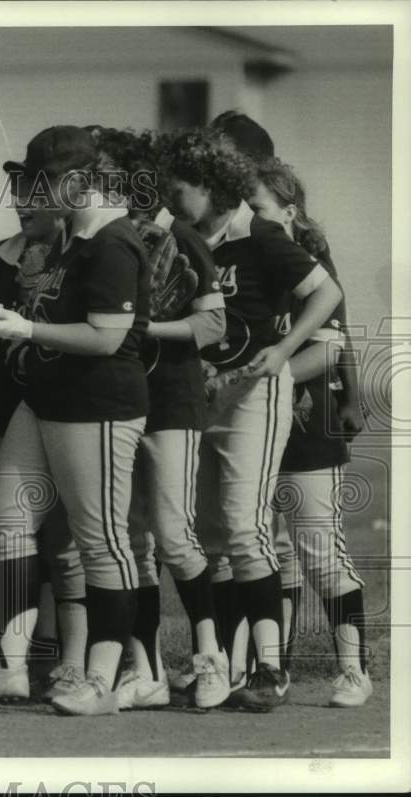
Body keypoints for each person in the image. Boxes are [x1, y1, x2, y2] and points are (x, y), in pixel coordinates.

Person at [0, 126, 151, 716]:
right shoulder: (69, 239)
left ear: (80, 182)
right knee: (5, 520)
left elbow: (108, 337)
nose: (31, 189)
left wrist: (26, 329)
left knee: (100, 541)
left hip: (97, 406)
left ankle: (101, 679)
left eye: (44, 179)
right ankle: (8, 668)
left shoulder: (111, 241)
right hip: (45, 399)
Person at [162, 127, 342, 711]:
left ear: (214, 187)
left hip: (253, 395)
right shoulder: (179, 237)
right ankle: (222, 666)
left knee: (245, 528)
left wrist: (285, 352)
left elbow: (327, 293)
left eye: (181, 187)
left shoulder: (259, 234)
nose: (171, 197)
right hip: (198, 397)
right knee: (209, 537)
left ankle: (270, 669)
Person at [93, 126, 231, 710]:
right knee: (133, 540)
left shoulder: (183, 238)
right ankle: (145, 670)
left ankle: (211, 660)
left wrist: (147, 329)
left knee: (174, 535)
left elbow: (214, 326)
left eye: (109, 176)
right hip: (122, 401)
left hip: (172, 400)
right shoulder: (106, 241)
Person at [250, 158, 371, 707]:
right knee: (272, 547)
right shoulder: (246, 263)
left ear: (290, 213)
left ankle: (354, 670)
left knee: (318, 545)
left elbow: (332, 346)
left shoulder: (309, 265)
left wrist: (349, 398)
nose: (249, 220)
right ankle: (277, 668)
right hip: (255, 418)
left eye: (259, 210)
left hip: (305, 421)